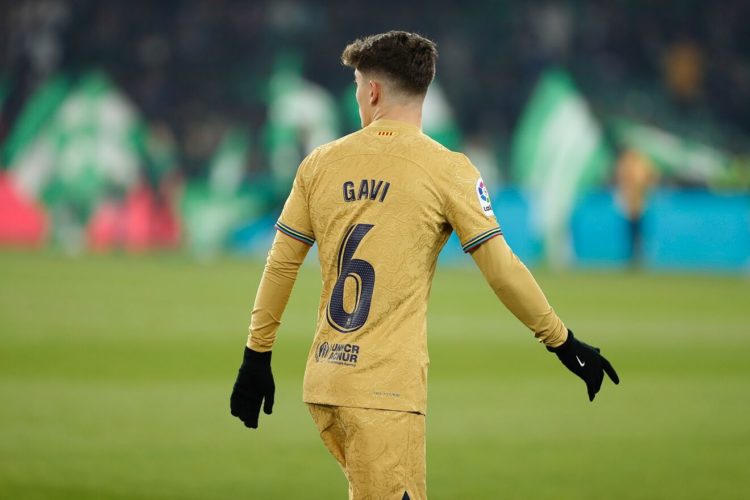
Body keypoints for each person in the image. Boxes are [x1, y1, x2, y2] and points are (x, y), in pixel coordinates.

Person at [230, 30, 619, 500]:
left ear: (373, 91)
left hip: (326, 381)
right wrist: (562, 341)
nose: (358, 97)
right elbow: (501, 269)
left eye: (357, 86)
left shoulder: (319, 164)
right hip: (385, 392)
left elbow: (281, 264)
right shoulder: (447, 169)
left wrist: (256, 357)